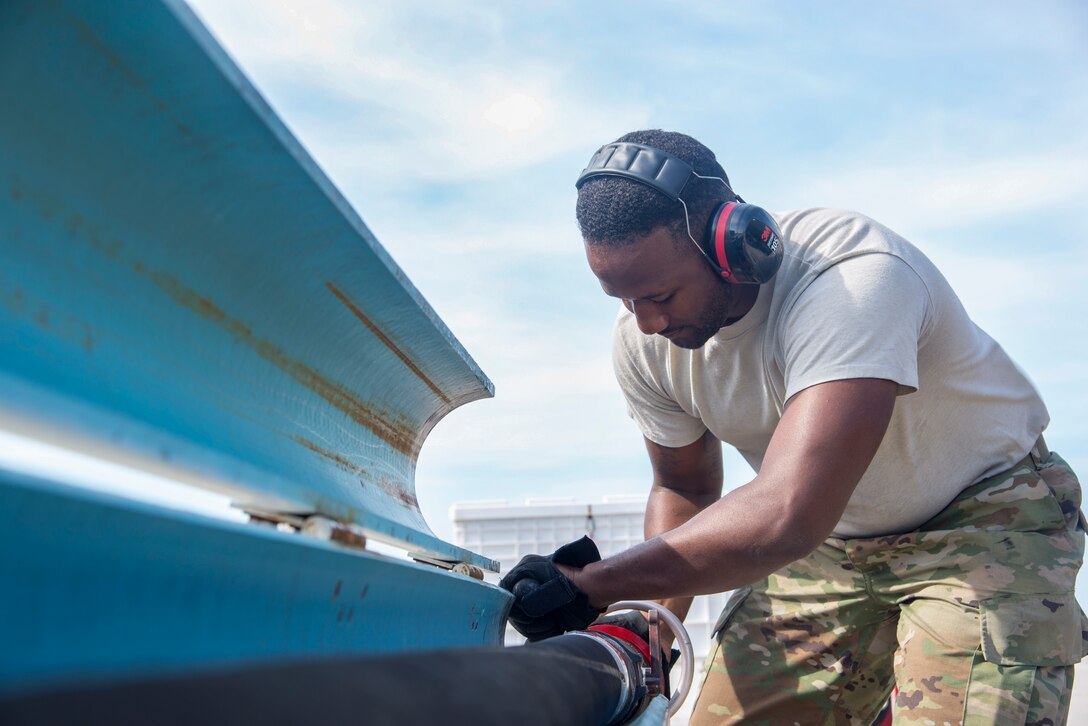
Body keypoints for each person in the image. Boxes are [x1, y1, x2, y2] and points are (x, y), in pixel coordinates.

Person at [500, 129, 1087, 725]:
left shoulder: (851, 280)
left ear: (731, 243)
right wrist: (643, 624)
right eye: (623, 300)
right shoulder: (644, 344)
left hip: (981, 523)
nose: (647, 322)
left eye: (661, 294)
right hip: (827, 547)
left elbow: (787, 510)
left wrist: (591, 582)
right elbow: (686, 489)